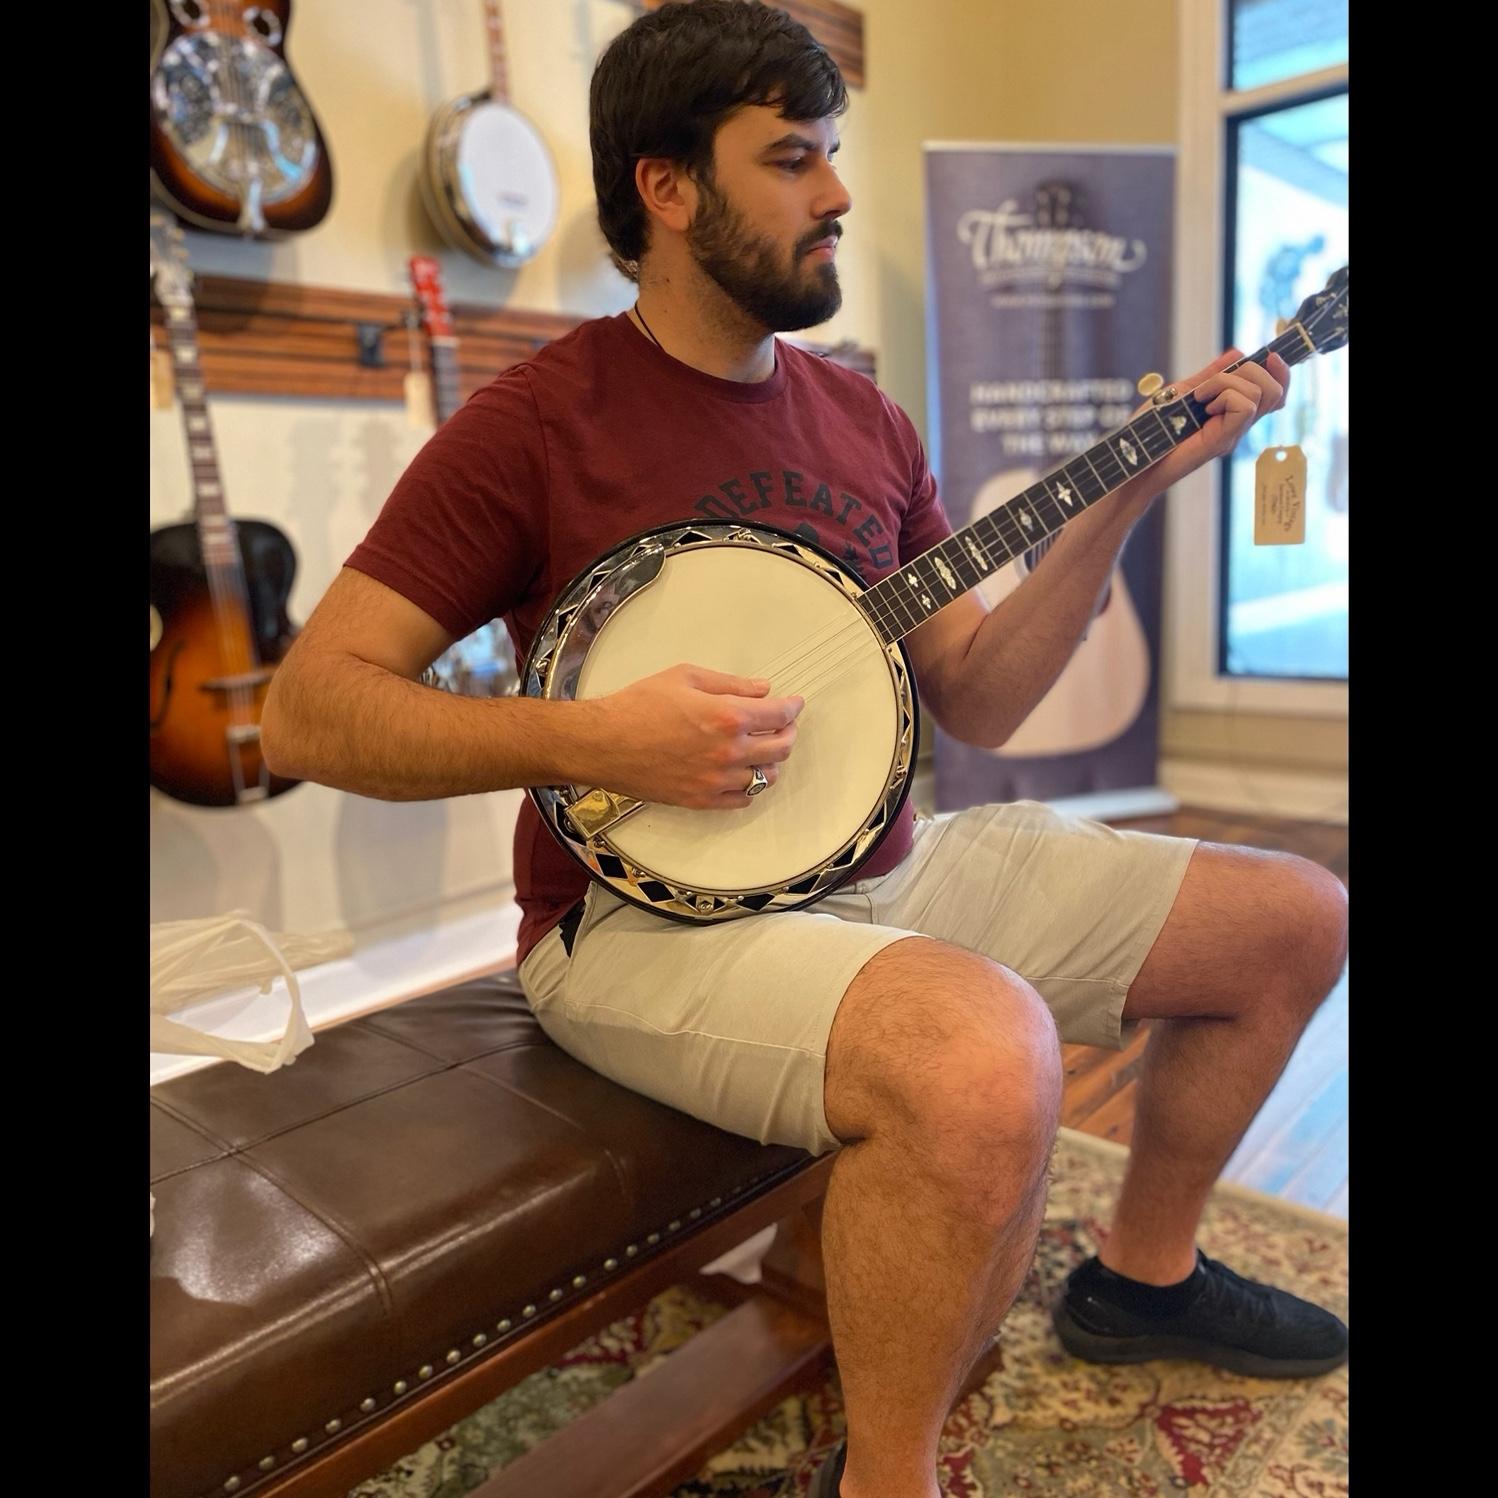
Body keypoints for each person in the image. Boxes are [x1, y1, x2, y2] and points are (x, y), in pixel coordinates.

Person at [260, 5, 1349, 1495]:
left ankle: (1140, 1277)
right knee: (982, 1058)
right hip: (637, 926)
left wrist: (1123, 496)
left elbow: (975, 696)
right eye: (791, 158)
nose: (837, 192)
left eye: (830, 152)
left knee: (1291, 917)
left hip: (884, 875)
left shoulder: (866, 421)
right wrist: (596, 736)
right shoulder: (537, 424)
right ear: (667, 186)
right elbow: (313, 706)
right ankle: (882, 1476)